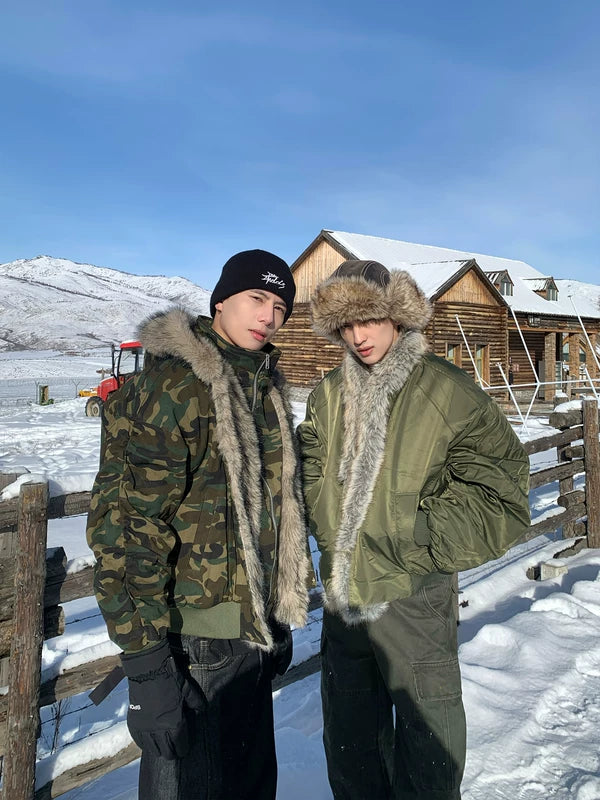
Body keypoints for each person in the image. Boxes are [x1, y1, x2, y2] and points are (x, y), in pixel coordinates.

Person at [297, 260, 530, 800]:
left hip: (413, 595)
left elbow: (502, 495)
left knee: (429, 747)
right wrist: (327, 529)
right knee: (351, 747)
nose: (358, 336)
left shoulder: (446, 392)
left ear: (397, 316)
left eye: (369, 319)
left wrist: (411, 535)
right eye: (345, 325)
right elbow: (310, 471)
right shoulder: (327, 395)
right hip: (343, 599)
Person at [86, 249, 312, 800]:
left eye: (281, 307)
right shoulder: (179, 386)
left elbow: (269, 511)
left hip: (251, 634)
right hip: (192, 645)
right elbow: (132, 528)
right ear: (220, 302)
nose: (269, 316)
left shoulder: (263, 386)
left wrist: (275, 615)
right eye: (257, 298)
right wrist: (147, 666)